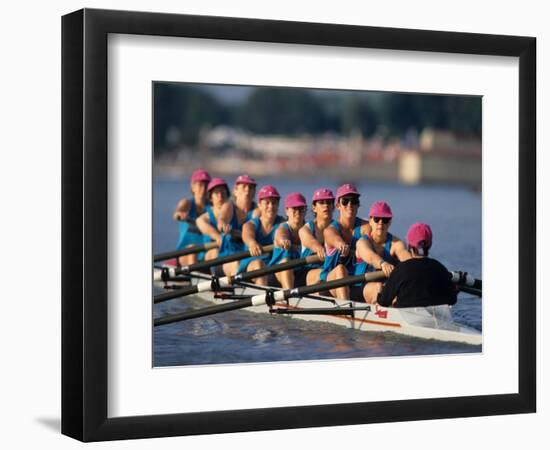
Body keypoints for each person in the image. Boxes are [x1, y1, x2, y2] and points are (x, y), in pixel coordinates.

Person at [376, 222, 458, 307]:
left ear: (409, 246)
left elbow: (383, 302)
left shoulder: (401, 269)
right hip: (437, 316)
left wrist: (380, 290)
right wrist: (455, 289)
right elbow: (452, 300)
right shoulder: (440, 268)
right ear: (429, 245)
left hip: (405, 316)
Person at [321, 183, 371, 300]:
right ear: (338, 205)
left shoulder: (366, 227)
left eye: (353, 201)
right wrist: (341, 245)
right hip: (330, 284)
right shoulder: (330, 230)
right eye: (345, 201)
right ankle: (346, 309)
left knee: (377, 287)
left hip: (357, 282)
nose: (350, 205)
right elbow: (334, 238)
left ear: (358, 205)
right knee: (341, 269)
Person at [355, 201, 411, 303]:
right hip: (359, 288)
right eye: (377, 219)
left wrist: (417, 267)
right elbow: (370, 256)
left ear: (389, 222)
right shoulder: (362, 242)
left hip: (386, 290)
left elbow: (406, 258)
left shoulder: (396, 243)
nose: (380, 222)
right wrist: (382, 263)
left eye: (385, 219)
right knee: (379, 287)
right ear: (370, 221)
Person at [237, 185, 285, 285]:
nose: (271, 206)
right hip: (251, 264)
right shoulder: (251, 224)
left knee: (285, 263)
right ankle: (263, 298)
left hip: (271, 266)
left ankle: (288, 298)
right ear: (259, 204)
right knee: (259, 265)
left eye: (274, 203)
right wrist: (252, 243)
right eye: (267, 203)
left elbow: (284, 232)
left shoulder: (282, 223)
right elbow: (247, 234)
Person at [269, 192, 308, 289]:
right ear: (286, 211)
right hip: (277, 275)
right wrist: (284, 240)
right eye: (294, 208)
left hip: (300, 273)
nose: (298, 212)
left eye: (301, 208)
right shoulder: (283, 227)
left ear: (305, 210)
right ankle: (289, 297)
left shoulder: (309, 229)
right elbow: (281, 235)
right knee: (286, 262)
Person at [173, 168, 211, 265]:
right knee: (192, 248)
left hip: (205, 252)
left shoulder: (212, 208)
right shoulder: (187, 203)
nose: (203, 189)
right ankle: (192, 278)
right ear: (193, 187)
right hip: (185, 253)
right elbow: (178, 211)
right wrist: (179, 215)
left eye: (206, 185)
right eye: (200, 185)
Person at [298, 188, 335, 285]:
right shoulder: (306, 229)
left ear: (333, 207)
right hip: (308, 273)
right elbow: (309, 241)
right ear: (314, 207)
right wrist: (318, 248)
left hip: (330, 270)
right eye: (322, 202)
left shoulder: (337, 227)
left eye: (329, 202)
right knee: (333, 274)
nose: (326, 205)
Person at [195, 177, 232, 261]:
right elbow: (199, 222)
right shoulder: (205, 217)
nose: (220, 196)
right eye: (216, 193)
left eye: (223, 192)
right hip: (209, 254)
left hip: (231, 253)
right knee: (215, 251)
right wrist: (217, 237)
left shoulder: (234, 212)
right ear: (210, 197)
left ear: (227, 194)